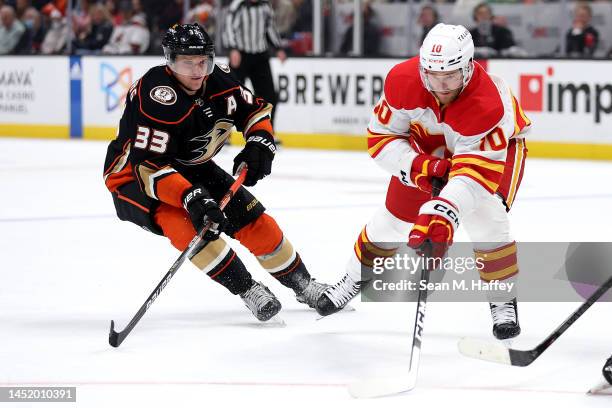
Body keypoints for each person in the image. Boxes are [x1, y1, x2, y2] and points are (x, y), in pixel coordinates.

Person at [316, 23, 531, 341]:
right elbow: (381, 139)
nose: (441, 86)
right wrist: (421, 166)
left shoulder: (489, 104)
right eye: (433, 75)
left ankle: (502, 300)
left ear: (468, 68)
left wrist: (443, 214)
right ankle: (351, 279)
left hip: (493, 153)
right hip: (428, 149)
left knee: (488, 222)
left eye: (450, 76)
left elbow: (473, 175)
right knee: (390, 222)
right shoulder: (403, 82)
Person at [103, 23, 329, 322]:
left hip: (190, 165)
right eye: (187, 62)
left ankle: (304, 285)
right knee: (190, 228)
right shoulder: (156, 96)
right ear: (169, 62)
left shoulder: (219, 78)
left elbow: (254, 111)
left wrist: (260, 140)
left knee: (254, 220)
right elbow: (149, 167)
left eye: (202, 61)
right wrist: (190, 197)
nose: (197, 71)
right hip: (134, 177)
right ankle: (248, 290)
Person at [223, 0, 286, 129]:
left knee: (269, 96)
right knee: (231, 95)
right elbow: (228, 27)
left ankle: (267, 129)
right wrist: (233, 49)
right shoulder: (238, 5)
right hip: (240, 55)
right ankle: (224, 132)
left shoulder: (265, 5)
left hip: (260, 56)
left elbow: (270, 28)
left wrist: (278, 48)